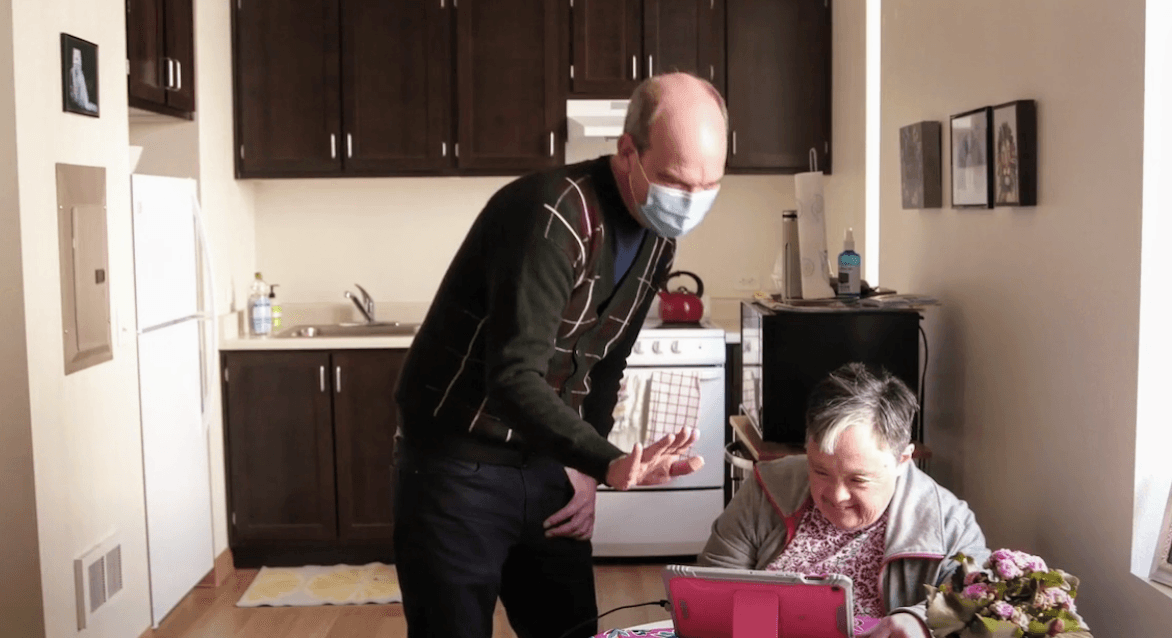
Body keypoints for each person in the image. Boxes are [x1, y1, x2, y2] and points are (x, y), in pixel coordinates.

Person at [391, 72, 728, 638]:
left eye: (709, 186)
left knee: (570, 629)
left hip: (543, 462)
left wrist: (588, 475)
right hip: (455, 466)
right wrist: (607, 460)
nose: (690, 203)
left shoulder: (657, 236)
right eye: (675, 181)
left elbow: (607, 363)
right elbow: (513, 377)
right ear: (629, 152)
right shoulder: (552, 213)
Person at [699, 363, 991, 638]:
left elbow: (978, 600)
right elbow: (709, 590)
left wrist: (919, 619)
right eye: (820, 471)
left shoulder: (948, 522)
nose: (836, 495)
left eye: (858, 479)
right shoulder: (768, 487)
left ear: (903, 460)